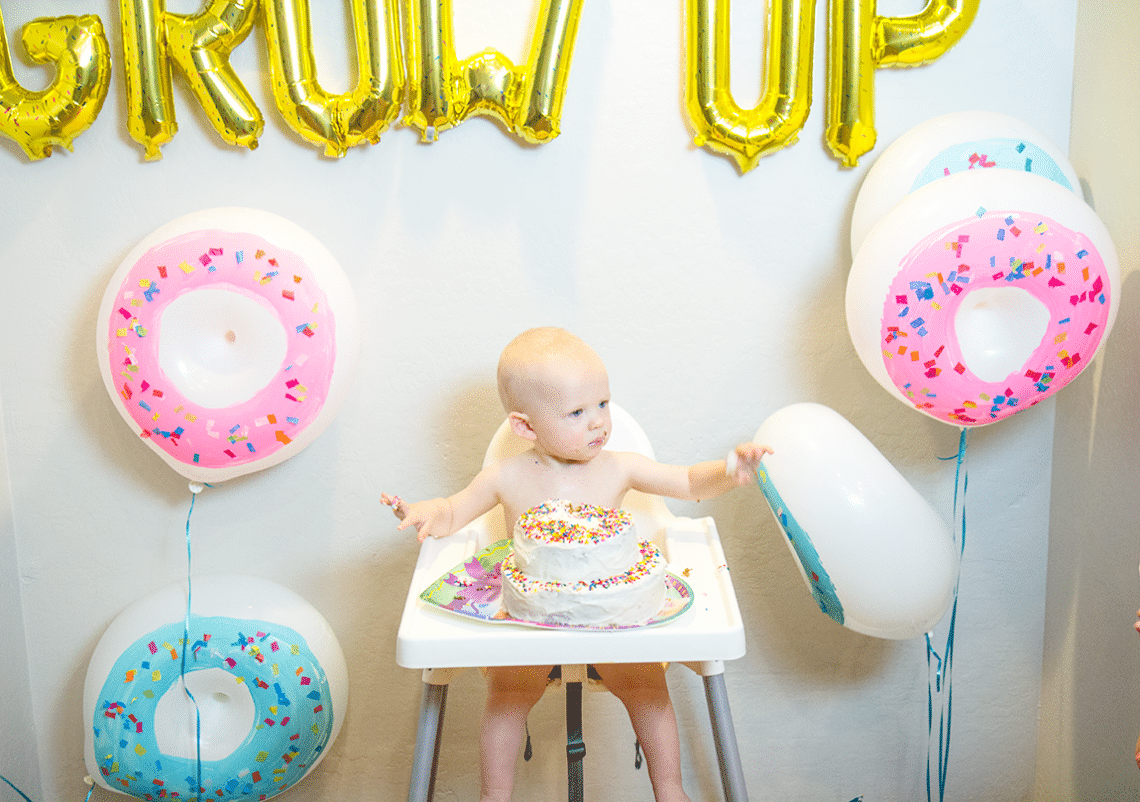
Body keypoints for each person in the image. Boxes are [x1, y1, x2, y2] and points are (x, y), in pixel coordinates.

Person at [383, 327, 771, 802]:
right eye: (577, 413)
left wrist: (730, 471)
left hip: (612, 611)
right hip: (530, 619)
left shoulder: (619, 466)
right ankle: (495, 794)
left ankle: (671, 790)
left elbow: (687, 481)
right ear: (525, 426)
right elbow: (452, 511)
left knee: (647, 684)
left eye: (604, 405)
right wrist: (425, 513)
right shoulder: (505, 475)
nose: (598, 423)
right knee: (507, 694)